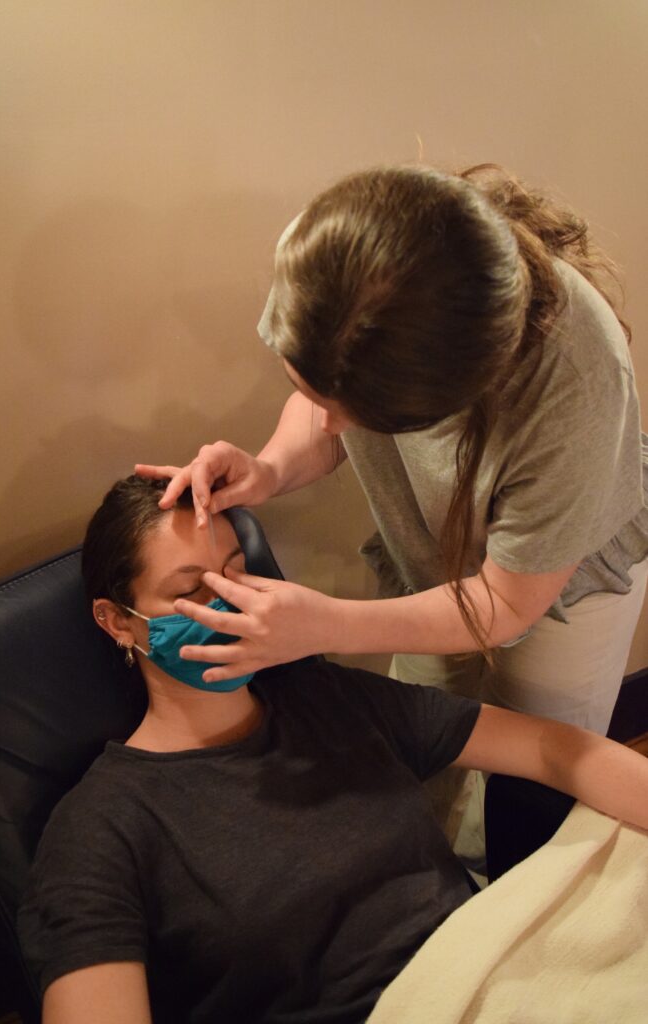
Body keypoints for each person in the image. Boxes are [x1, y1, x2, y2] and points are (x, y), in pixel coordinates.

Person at [17, 474, 648, 1024]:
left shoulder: (326, 698)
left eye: (237, 570)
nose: (232, 602)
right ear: (119, 621)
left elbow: (550, 750)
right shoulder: (102, 828)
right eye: (193, 590)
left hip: (497, 970)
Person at [137, 164, 648, 744]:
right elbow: (327, 404)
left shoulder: (575, 385)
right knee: (423, 734)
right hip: (432, 552)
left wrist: (326, 625)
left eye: (361, 415)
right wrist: (271, 468)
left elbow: (507, 603)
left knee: (537, 764)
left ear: (461, 395)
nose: (329, 425)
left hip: (559, 582)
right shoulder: (329, 260)